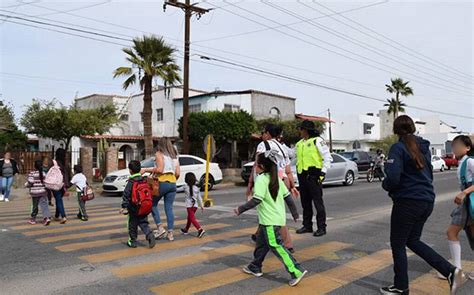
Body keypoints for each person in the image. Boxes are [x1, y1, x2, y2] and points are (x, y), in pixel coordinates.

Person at [380, 115, 467, 295]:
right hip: (426, 200)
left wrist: (386, 184)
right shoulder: (425, 147)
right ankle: (451, 272)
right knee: (412, 240)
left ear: (396, 130)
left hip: (408, 202)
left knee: (398, 244)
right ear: (412, 128)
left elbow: (393, 179)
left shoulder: (398, 147)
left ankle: (401, 287)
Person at [235, 152, 307, 287]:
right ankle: (255, 266)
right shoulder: (276, 179)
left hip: (269, 221)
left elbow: (257, 200)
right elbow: (288, 198)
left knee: (276, 246)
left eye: (256, 164)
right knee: (261, 244)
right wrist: (295, 214)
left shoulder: (261, 179)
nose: (254, 166)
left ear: (261, 166)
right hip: (272, 219)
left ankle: (296, 270)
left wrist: (240, 209)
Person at [246, 124, 298, 253]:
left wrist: (251, 184)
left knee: (272, 213)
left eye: (263, 132)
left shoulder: (263, 145)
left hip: (269, 181)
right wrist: (292, 186)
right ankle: (259, 235)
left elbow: (257, 166)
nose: (262, 135)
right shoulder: (283, 147)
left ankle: (287, 244)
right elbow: (288, 170)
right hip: (282, 180)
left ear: (268, 133)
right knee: (270, 210)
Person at [443, 135, 474, 279]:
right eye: (454, 145)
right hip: (468, 204)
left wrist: (464, 193)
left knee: (451, 232)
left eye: (458, 145)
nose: (455, 148)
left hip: (469, 203)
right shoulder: (462, 162)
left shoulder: (469, 162)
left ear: (467, 148)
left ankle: (456, 271)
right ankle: (457, 270)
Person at [295, 120, 332, 237]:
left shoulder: (318, 141)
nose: (300, 131)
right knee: (305, 203)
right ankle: (307, 225)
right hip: (302, 175)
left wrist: (323, 172)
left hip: (314, 175)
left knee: (318, 202)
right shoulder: (300, 143)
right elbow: (292, 154)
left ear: (306, 130)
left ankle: (321, 227)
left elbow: (327, 157)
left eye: (301, 129)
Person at [142, 138, 180, 241]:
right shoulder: (174, 156)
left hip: (162, 182)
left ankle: (160, 228)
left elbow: (159, 169)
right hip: (173, 183)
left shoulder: (159, 154)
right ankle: (170, 234)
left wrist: (145, 169)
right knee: (169, 208)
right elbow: (177, 173)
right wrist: (171, 180)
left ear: (161, 144)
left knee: (152, 204)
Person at [120, 160, 155, 249]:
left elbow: (126, 195)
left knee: (132, 225)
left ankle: (133, 241)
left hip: (134, 208)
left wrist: (124, 206)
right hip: (144, 206)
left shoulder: (131, 182)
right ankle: (150, 235)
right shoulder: (144, 180)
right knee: (143, 223)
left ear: (130, 170)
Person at [181, 172, 206, 238]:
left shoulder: (185, 187)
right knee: (189, 218)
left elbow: (177, 189)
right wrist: (202, 206)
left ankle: (200, 229)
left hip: (189, 206)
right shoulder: (197, 188)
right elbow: (199, 198)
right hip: (195, 206)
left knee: (192, 219)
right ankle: (186, 229)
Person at [26, 159, 51, 226]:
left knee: (35, 206)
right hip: (43, 191)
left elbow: (30, 182)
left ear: (35, 166)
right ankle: (46, 218)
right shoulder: (43, 173)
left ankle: (33, 219)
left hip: (35, 193)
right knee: (44, 205)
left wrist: (26, 185)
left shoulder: (32, 173)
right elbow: (46, 181)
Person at [52, 148, 71, 224]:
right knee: (58, 198)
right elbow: (69, 174)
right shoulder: (66, 163)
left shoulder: (54, 163)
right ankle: (57, 215)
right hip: (64, 184)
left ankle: (63, 216)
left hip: (56, 183)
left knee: (58, 199)